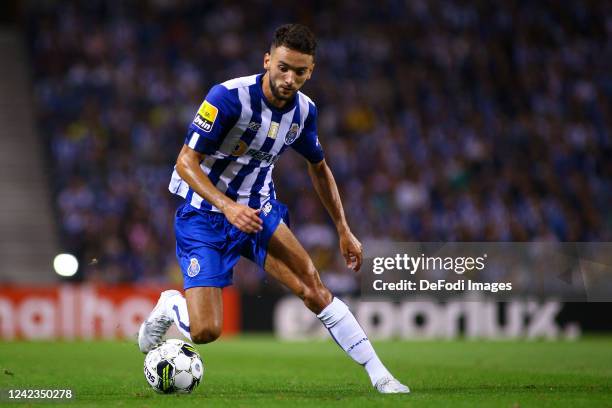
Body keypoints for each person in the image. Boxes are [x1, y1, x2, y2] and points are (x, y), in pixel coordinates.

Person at [138, 23, 409, 394]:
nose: (290, 78)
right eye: (283, 67)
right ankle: (172, 304)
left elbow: (319, 167)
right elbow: (186, 162)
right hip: (204, 215)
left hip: (259, 212)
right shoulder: (228, 98)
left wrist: (343, 229)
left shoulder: (304, 112)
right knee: (205, 331)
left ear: (310, 72)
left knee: (313, 286)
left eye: (300, 72)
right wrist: (227, 206)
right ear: (268, 60)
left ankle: (381, 375)